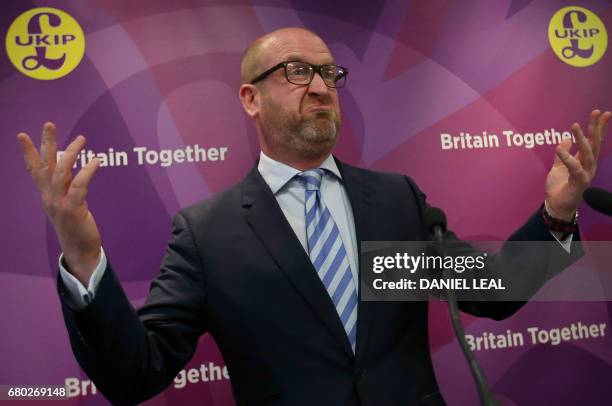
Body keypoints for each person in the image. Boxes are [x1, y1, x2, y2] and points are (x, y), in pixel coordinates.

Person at [17, 27, 610, 406]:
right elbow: (135, 375)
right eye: (297, 72)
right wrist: (83, 256)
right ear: (250, 98)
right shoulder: (209, 233)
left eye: (329, 72)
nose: (321, 86)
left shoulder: (393, 200)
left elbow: (491, 292)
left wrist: (557, 213)